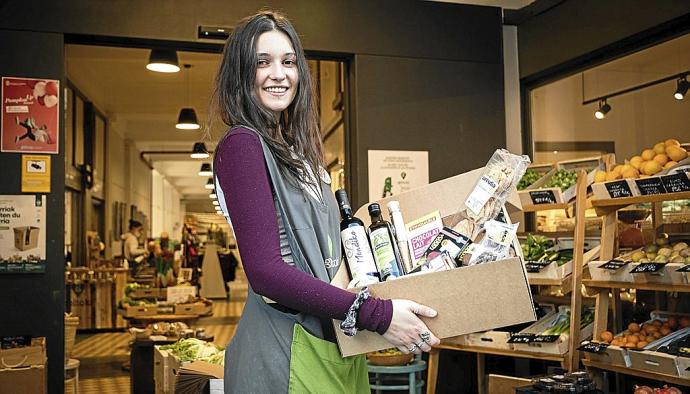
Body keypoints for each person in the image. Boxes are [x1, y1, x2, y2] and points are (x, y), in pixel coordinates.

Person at [212, 10, 440, 392]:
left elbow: (329, 258)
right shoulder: (242, 146)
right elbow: (267, 271)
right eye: (262, 63)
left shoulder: (295, 152)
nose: (278, 74)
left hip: (331, 340)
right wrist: (378, 314)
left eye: (288, 62)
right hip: (283, 352)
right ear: (240, 73)